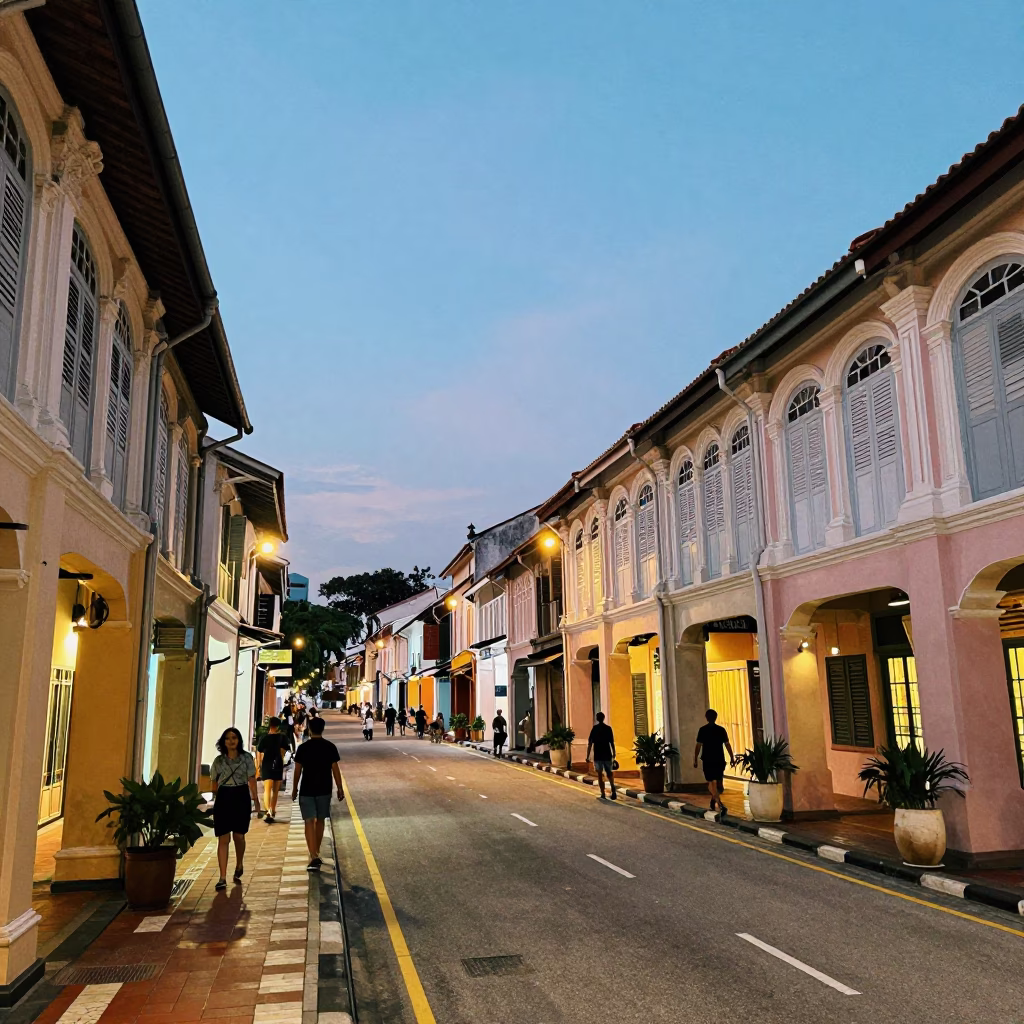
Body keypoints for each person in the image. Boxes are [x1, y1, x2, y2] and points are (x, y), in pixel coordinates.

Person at [210, 727, 260, 889]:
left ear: (239, 740)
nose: (231, 741)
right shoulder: (218, 761)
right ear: (223, 742)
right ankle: (222, 877)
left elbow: (251, 779)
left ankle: (239, 864)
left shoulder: (246, 758)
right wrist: (215, 796)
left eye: (234, 738)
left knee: (239, 836)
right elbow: (213, 782)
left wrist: (256, 799)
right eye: (227, 738)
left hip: (241, 795)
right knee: (223, 838)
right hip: (224, 797)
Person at [291, 716, 343, 871]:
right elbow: (335, 769)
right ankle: (316, 851)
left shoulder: (303, 748)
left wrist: (295, 788)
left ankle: (313, 855)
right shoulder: (330, 747)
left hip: (307, 789)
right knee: (320, 821)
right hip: (324, 789)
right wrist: (339, 788)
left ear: (310, 729)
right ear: (323, 729)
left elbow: (298, 770)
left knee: (308, 821)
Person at [694, 709, 735, 814]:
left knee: (712, 782)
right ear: (715, 717)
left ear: (706, 718)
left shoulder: (702, 730)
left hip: (708, 759)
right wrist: (732, 757)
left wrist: (695, 759)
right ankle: (719, 803)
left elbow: (698, 746)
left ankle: (714, 800)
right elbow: (727, 744)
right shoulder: (721, 730)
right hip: (719, 759)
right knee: (716, 782)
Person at [255, 717, 290, 823]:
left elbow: (259, 751)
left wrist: (258, 766)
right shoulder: (282, 738)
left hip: (267, 764)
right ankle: (273, 810)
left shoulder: (264, 737)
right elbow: (285, 750)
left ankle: (268, 811)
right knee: (275, 791)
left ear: (269, 725)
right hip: (278, 763)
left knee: (267, 789)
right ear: (278, 726)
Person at [586, 712, 617, 800]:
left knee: (600, 774)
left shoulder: (595, 729)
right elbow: (612, 742)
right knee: (609, 773)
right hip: (607, 754)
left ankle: (603, 793)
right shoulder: (608, 729)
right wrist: (614, 753)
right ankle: (613, 789)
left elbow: (590, 743)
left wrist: (587, 756)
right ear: (603, 718)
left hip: (598, 755)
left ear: (597, 718)